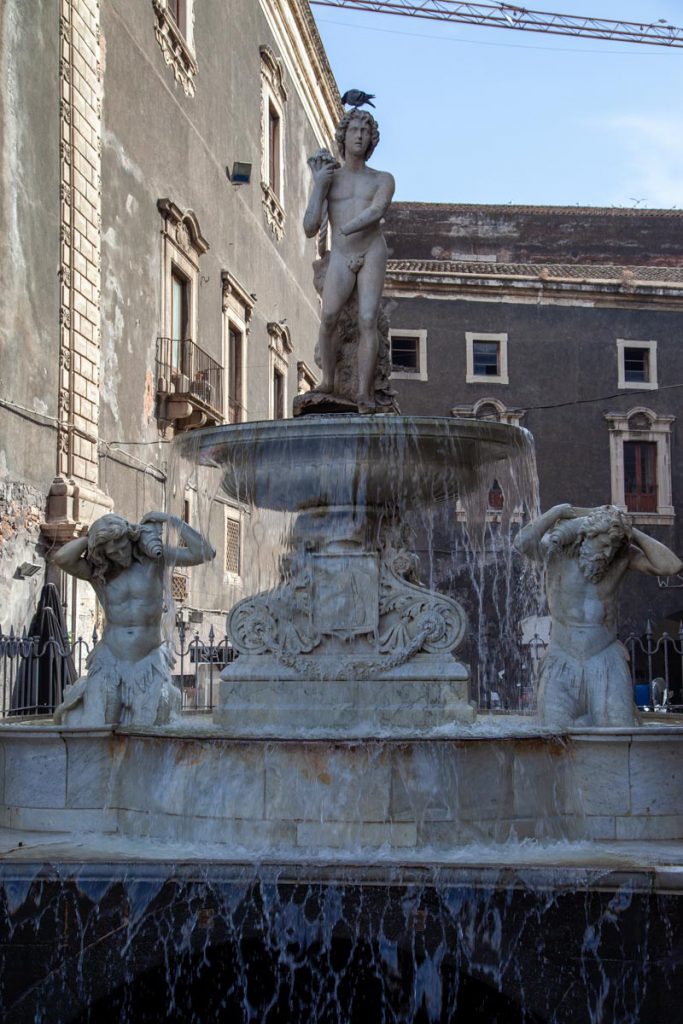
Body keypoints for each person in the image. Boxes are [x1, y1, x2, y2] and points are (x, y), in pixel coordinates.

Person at [514, 504, 682, 727]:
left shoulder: (621, 558)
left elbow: (671, 565)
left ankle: (587, 722)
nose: (607, 553)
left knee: (619, 732)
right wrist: (556, 512)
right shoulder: (556, 552)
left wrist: (630, 529)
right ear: (586, 535)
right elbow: (521, 543)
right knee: (552, 735)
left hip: (605, 657)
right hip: (561, 657)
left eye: (613, 548)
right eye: (603, 545)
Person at [53, 511, 215, 726]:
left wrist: (173, 521)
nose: (120, 553)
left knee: (147, 725)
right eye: (113, 552)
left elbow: (204, 553)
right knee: (96, 724)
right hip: (110, 658)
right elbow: (61, 558)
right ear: (104, 553)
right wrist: (92, 537)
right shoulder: (98, 573)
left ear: (131, 538)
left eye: (123, 546)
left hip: (147, 660)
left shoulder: (154, 560)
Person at [304, 108, 395, 414]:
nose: (359, 135)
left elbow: (378, 210)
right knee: (329, 317)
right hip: (342, 254)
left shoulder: (382, 179)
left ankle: (364, 392)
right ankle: (328, 381)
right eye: (354, 129)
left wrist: (347, 227)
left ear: (372, 139)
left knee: (367, 319)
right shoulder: (330, 179)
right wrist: (318, 185)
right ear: (343, 136)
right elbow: (309, 227)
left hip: (370, 250)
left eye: (365, 131)